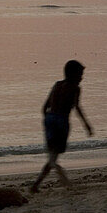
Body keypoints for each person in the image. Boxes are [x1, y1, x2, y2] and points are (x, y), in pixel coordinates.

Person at [30, 60, 92, 193]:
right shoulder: (75, 88)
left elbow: (45, 107)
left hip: (49, 119)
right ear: (73, 75)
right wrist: (86, 125)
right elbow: (77, 107)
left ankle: (36, 185)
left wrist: (48, 120)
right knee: (54, 157)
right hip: (61, 121)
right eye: (80, 74)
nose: (82, 78)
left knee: (52, 154)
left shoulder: (57, 85)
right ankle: (64, 180)